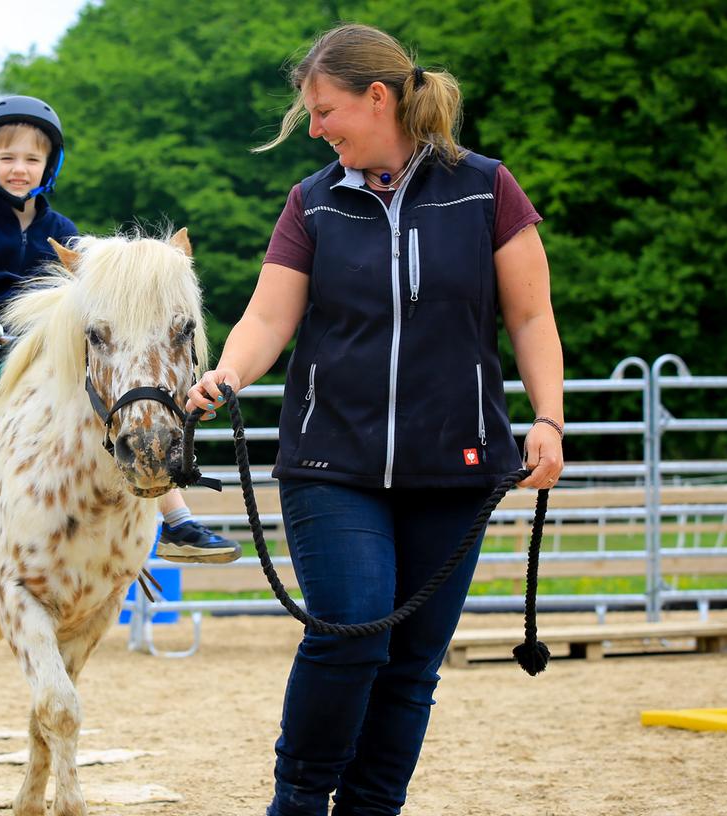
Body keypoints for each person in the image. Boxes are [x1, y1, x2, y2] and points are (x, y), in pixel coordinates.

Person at [185, 23, 565, 816]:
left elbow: (532, 319)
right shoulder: (313, 203)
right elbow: (266, 318)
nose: (316, 129)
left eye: (325, 111)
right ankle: (297, 801)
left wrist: (549, 421)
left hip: (455, 467)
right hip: (333, 463)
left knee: (413, 662)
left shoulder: (486, 189)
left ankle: (370, 808)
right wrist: (227, 372)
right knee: (352, 627)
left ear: (379, 98)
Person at [0, 95, 238, 564]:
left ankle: (176, 518)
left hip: (42, 345)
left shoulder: (63, 229)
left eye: (32, 159)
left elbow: (83, 299)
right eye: (8, 158)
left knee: (123, 399)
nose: (19, 168)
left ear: (48, 165)